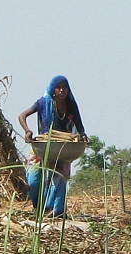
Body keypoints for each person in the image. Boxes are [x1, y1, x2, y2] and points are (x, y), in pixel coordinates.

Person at [18, 75, 89, 218]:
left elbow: (80, 127)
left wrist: (82, 135)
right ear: (53, 89)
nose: (62, 90)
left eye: (65, 87)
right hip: (43, 146)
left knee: (59, 179)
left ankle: (55, 212)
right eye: (59, 87)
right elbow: (22, 116)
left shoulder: (71, 106)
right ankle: (38, 206)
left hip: (62, 148)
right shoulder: (43, 103)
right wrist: (27, 130)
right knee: (33, 179)